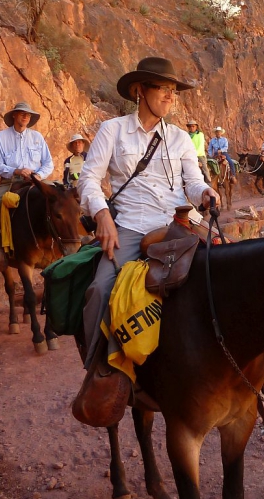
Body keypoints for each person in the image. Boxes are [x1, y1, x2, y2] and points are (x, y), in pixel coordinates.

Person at [78, 56, 220, 362]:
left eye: (174, 90)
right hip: (131, 224)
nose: (171, 96)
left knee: (231, 267)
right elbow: (88, 178)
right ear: (139, 90)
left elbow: (193, 183)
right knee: (101, 291)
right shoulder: (112, 130)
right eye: (163, 88)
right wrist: (102, 215)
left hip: (179, 221)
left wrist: (206, 191)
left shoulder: (181, 138)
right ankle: (99, 372)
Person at [0, 101, 54, 271]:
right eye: (22, 113)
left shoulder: (37, 137)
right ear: (14, 115)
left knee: (58, 198)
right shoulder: (1, 137)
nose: (25, 116)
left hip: (35, 180)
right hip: (11, 182)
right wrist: (15, 170)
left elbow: (48, 163)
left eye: (28, 114)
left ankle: (62, 244)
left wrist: (38, 175)